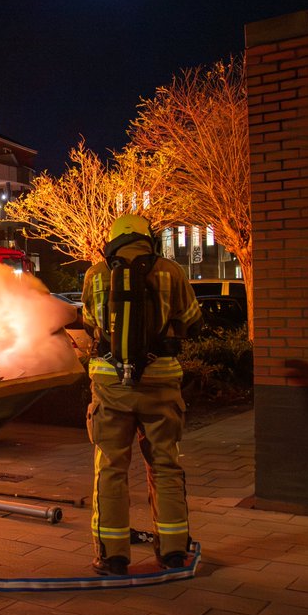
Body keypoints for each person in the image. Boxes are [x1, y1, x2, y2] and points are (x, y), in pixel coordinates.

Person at [81, 214, 202, 575]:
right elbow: (192, 318)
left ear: (113, 240)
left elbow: (90, 322)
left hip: (110, 383)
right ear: (149, 239)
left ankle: (112, 555)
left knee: (111, 468)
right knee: (165, 465)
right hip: (161, 381)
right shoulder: (171, 271)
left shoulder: (96, 274)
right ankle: (174, 552)